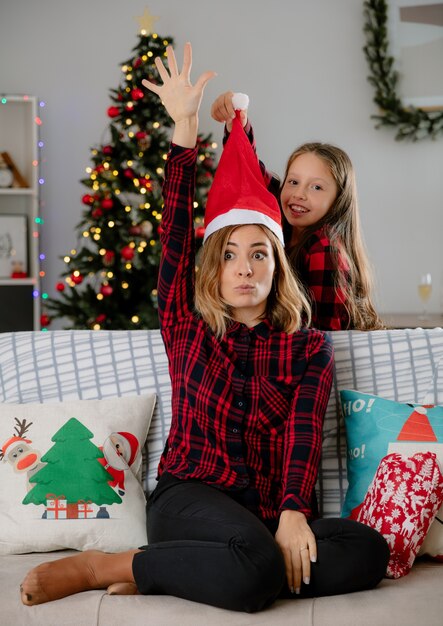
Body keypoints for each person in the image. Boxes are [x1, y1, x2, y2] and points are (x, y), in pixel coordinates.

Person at [20, 43, 389, 612]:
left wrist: (293, 510)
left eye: (261, 254)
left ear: (277, 266)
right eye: (231, 254)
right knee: (258, 568)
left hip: (269, 512)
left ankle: (215, 567)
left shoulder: (307, 348)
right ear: (213, 268)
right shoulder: (186, 324)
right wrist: (185, 132)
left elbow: (304, 434)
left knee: (367, 551)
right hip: (190, 498)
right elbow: (172, 235)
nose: (245, 267)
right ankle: (113, 566)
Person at [211, 92, 384, 331]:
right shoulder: (279, 220)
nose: (299, 194)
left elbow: (323, 336)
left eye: (316, 187)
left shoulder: (325, 248)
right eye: (293, 182)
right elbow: (251, 171)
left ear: (338, 200)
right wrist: (237, 125)